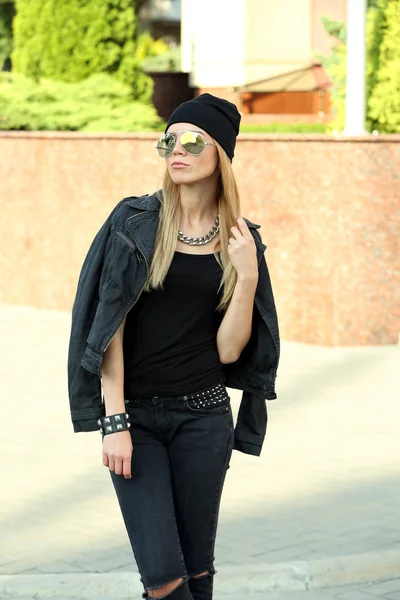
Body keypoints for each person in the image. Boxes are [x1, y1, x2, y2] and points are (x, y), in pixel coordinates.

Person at [67, 93, 280, 600]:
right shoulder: (134, 222)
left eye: (192, 140)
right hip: (134, 419)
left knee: (198, 574)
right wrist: (113, 421)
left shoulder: (240, 240)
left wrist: (246, 278)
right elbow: (107, 324)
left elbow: (230, 352)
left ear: (221, 156)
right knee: (164, 580)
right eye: (169, 140)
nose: (176, 150)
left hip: (204, 419)